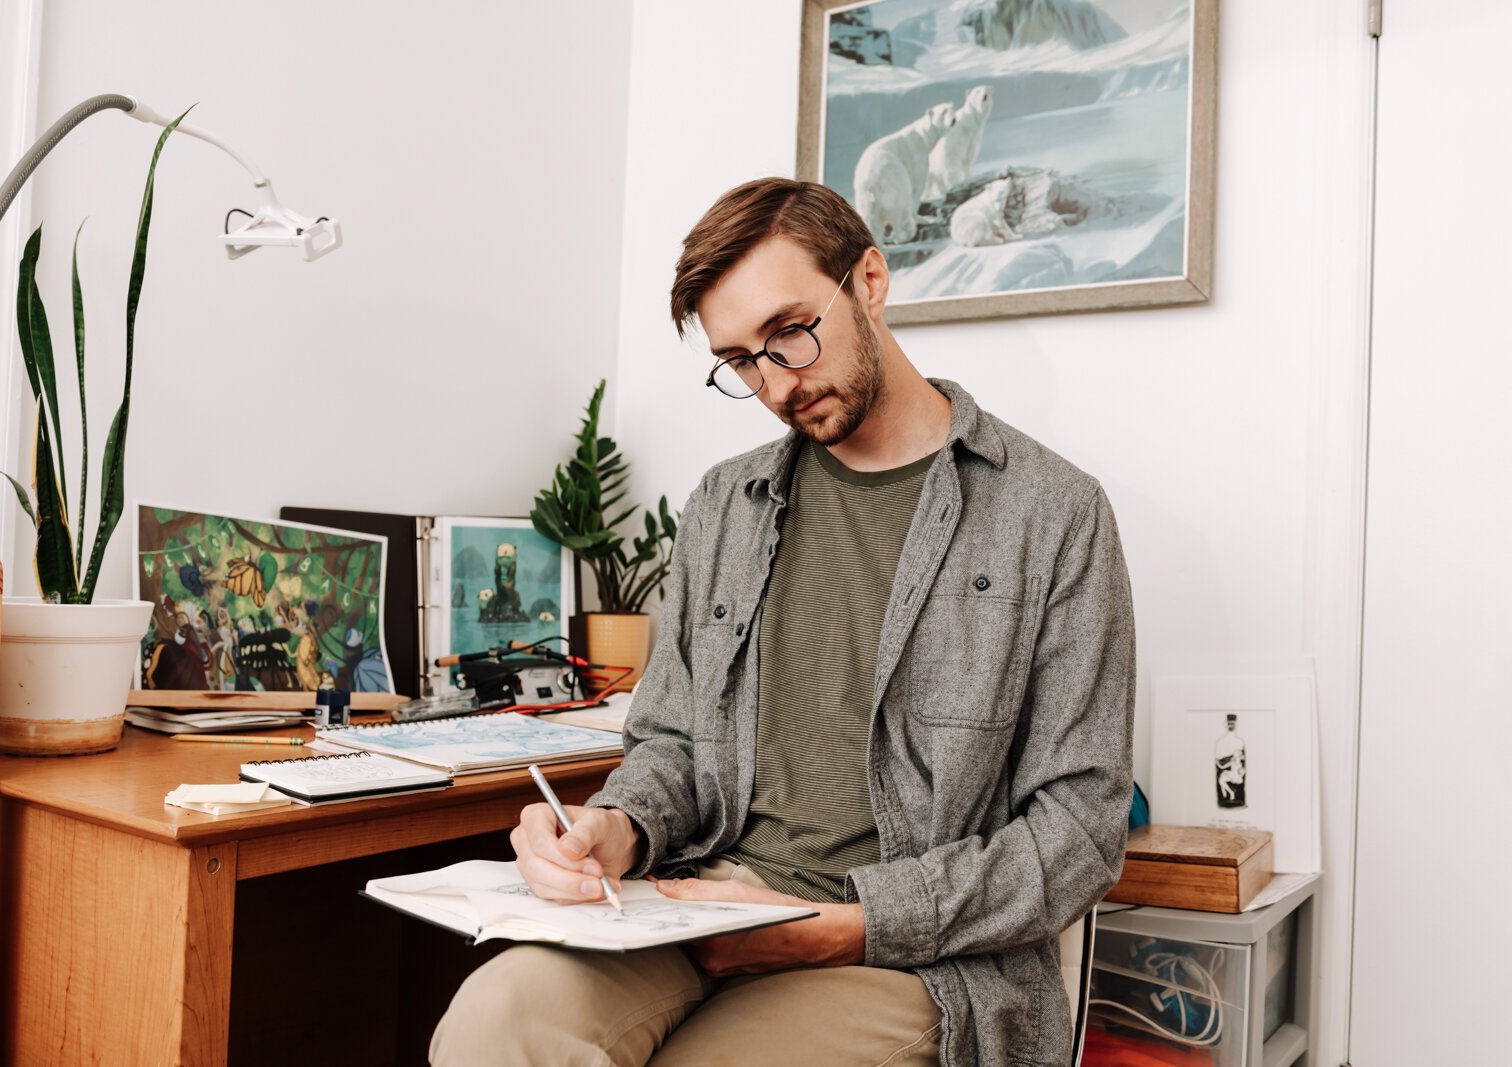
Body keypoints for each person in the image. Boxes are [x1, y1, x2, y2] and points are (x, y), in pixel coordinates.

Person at [432, 178, 1135, 1066]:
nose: (774, 383)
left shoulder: (1053, 512)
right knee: (494, 1021)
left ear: (870, 281)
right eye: (741, 361)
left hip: (908, 951)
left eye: (790, 332)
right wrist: (617, 826)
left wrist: (849, 926)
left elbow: (1078, 828)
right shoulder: (727, 503)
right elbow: (673, 743)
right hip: (698, 901)